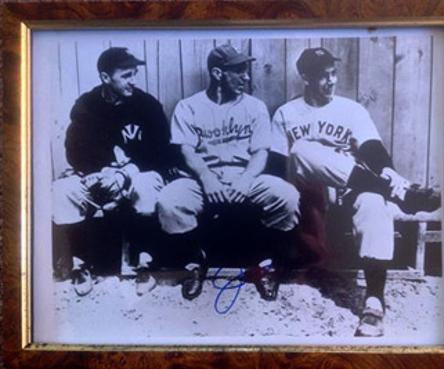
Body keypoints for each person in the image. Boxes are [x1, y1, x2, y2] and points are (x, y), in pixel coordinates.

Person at [271, 47, 441, 337]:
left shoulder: (350, 109)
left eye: (333, 73)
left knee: (375, 203)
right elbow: (276, 166)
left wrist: (390, 175)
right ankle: (396, 193)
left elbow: (374, 152)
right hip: (306, 196)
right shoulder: (286, 113)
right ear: (305, 77)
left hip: (347, 191)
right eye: (323, 76)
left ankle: (374, 301)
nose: (332, 81)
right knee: (303, 150)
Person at [156, 44, 300, 301]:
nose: (246, 77)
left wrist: (245, 181)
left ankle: (266, 264)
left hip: (245, 175)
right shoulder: (189, 107)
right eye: (239, 71)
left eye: (246, 71)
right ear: (218, 74)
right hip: (201, 178)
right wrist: (208, 178)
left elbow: (260, 153)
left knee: (286, 197)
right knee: (170, 201)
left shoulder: (254, 106)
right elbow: (187, 151)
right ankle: (193, 263)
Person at [52, 47, 174, 297]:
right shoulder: (86, 105)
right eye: (127, 75)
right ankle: (80, 265)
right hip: (100, 176)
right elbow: (74, 150)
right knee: (62, 190)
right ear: (106, 78)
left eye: (135, 74)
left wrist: (125, 172)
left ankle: (145, 265)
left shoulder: (147, 105)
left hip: (137, 173)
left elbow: (161, 153)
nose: (133, 81)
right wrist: (97, 171)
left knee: (145, 187)